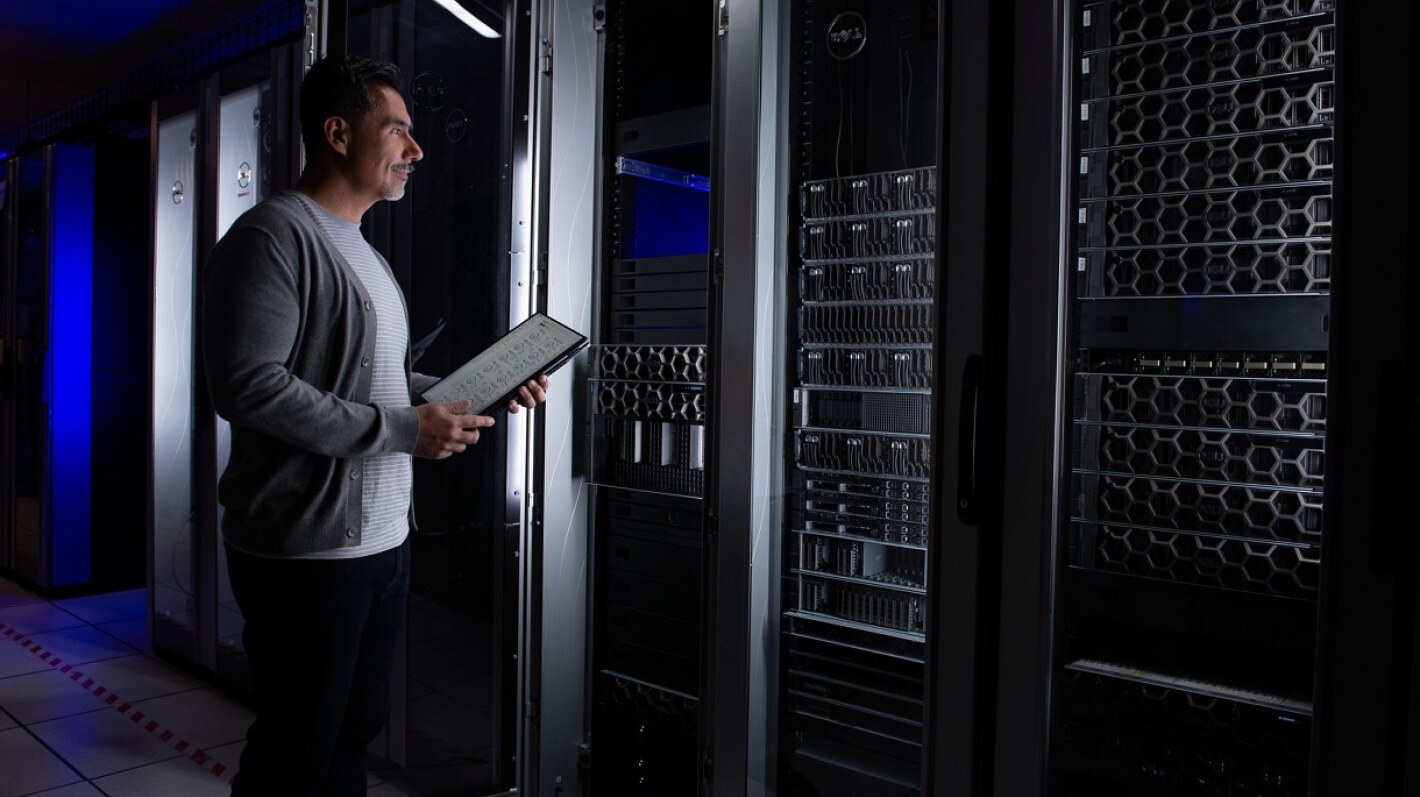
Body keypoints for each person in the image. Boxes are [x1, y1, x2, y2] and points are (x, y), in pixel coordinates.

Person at [202, 54, 548, 796]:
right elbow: (248, 386)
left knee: (351, 734)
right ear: (336, 132)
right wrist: (402, 431)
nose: (416, 151)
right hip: (307, 550)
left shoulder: (365, 252)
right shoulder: (274, 236)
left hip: (381, 542)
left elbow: (380, 384)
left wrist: (477, 392)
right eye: (398, 131)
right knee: (297, 749)